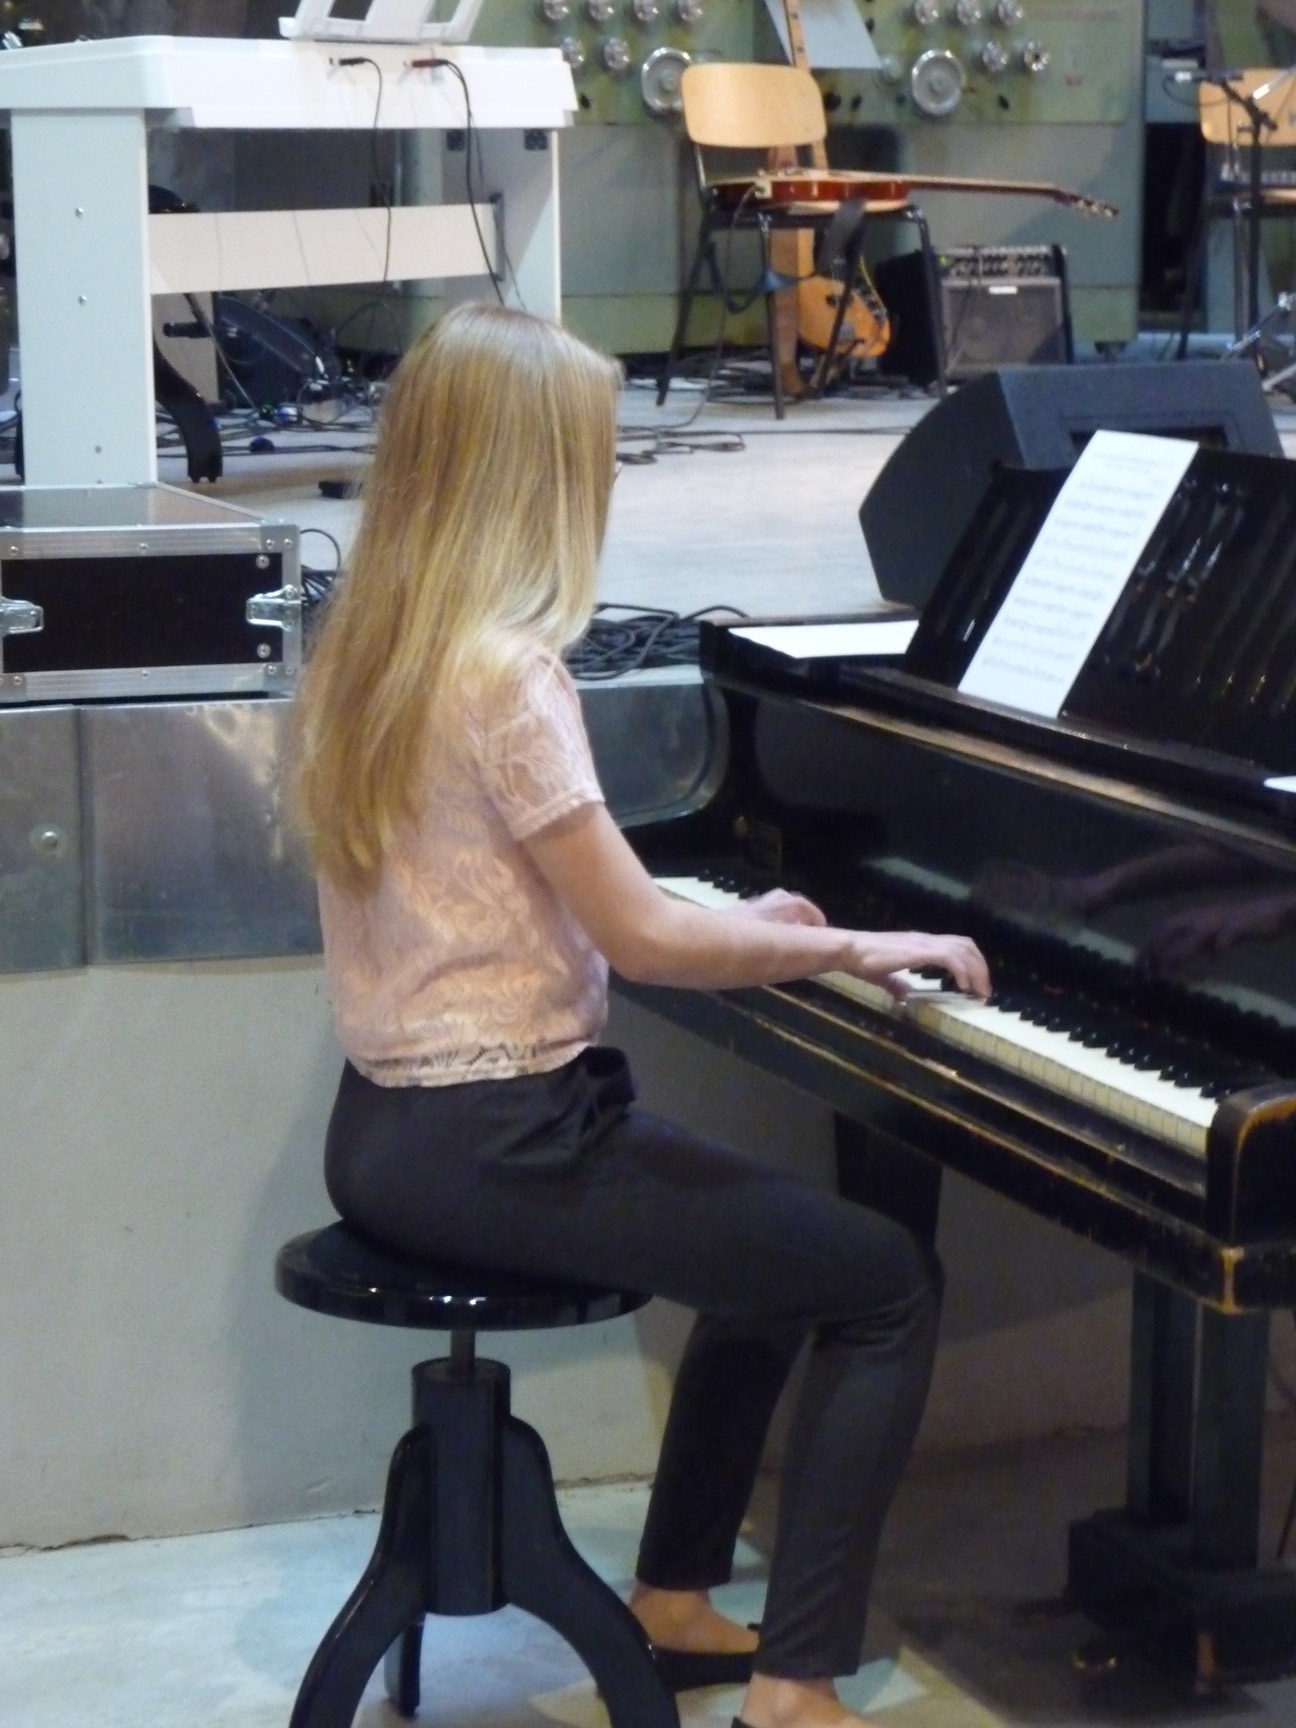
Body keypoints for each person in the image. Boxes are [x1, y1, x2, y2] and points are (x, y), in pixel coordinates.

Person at [290, 301, 990, 1728]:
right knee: (881, 1282)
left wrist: (757, 923)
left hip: (386, 1139)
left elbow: (534, 884)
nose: (607, 480)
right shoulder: (506, 673)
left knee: (769, 1247)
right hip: (509, 1137)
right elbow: (644, 940)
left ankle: (672, 1598)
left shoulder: (372, 645)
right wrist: (855, 943)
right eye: (594, 455)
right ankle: (797, 1686)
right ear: (536, 476)